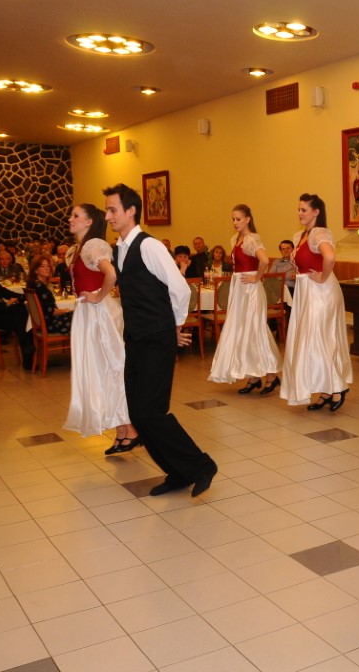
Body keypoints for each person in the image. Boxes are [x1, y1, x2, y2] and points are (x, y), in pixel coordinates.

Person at [104, 183, 218, 497]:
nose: (108, 215)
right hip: (135, 338)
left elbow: (180, 289)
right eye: (107, 210)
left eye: (112, 209)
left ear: (130, 211)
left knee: (150, 411)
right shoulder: (120, 249)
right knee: (138, 412)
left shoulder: (149, 246)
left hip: (156, 337)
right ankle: (178, 472)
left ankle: (201, 465)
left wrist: (175, 326)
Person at [62, 204, 139, 455]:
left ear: (88, 222)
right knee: (101, 371)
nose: (70, 219)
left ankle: (131, 429)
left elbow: (111, 274)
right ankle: (123, 430)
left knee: (110, 368)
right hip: (88, 313)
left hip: (98, 314)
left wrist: (98, 296)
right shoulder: (79, 248)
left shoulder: (93, 245)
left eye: (75, 216)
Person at [279, 193, 353, 411]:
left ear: (316, 212)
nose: (300, 213)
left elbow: (330, 257)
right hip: (307, 292)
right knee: (312, 342)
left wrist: (322, 277)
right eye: (299, 209)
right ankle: (326, 389)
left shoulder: (319, 233)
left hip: (321, 292)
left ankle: (337, 387)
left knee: (322, 340)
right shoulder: (302, 235)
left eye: (304, 210)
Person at [207, 204, 281, 395]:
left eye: (238, 219)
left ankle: (271, 375)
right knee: (242, 332)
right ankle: (253, 377)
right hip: (239, 289)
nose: (235, 222)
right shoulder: (236, 239)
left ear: (248, 219)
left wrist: (256, 277)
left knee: (255, 331)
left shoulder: (251, 239)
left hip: (250, 290)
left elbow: (264, 260)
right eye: (233, 219)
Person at [26, 256, 73, 336]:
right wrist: (66, 310)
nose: (47, 268)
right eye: (43, 266)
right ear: (36, 270)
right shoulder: (40, 287)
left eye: (48, 266)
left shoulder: (34, 285)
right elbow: (51, 311)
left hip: (45, 323)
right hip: (51, 324)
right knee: (78, 317)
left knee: (76, 316)